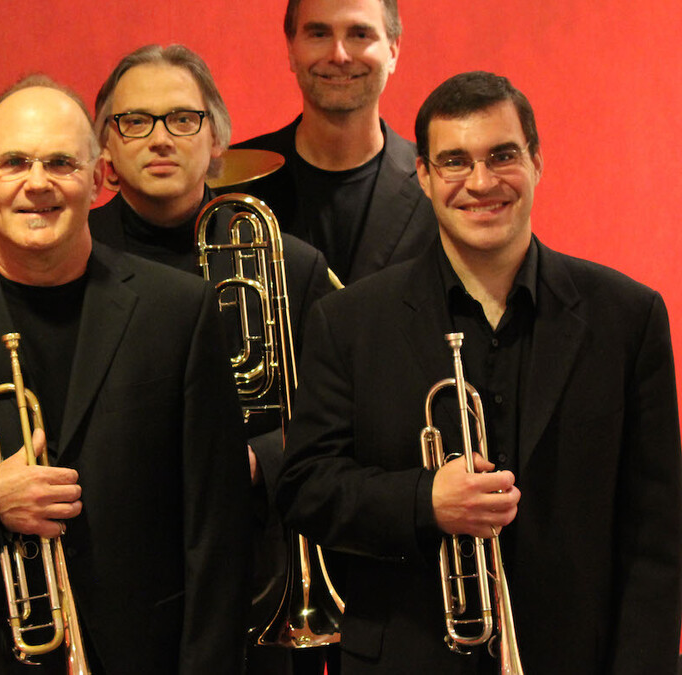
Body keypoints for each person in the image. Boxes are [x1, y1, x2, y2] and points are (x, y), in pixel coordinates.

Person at [0, 75, 251, 674]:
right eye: (14, 163)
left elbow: (219, 528)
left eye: (60, 162)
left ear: (98, 176)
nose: (37, 184)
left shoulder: (178, 311)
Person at [274, 70, 681, 674]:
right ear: (424, 176)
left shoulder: (627, 316)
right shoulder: (348, 322)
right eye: (455, 162)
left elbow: (656, 536)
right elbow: (306, 489)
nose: (482, 183)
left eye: (504, 156)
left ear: (538, 161)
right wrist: (423, 500)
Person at [90, 43, 336, 674]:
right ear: (106, 154)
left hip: (256, 566)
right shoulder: (70, 259)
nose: (160, 138)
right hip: (111, 567)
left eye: (183, 119)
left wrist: (262, 460)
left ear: (218, 142)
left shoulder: (291, 263)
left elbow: (338, 415)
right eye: (134, 122)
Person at [230, 0, 436, 284]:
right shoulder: (230, 185)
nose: (339, 55)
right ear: (291, 49)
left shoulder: (439, 186)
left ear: (393, 51)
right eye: (319, 34)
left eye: (360, 35)